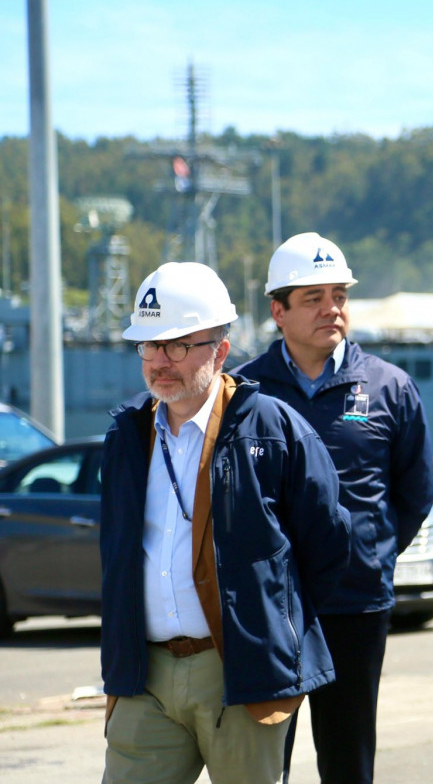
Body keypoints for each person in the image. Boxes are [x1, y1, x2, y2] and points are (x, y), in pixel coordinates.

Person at [100, 261, 351, 784]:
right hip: (144, 675)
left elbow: (327, 543)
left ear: (220, 349)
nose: (158, 361)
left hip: (240, 670)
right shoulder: (127, 434)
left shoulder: (276, 429)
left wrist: (270, 621)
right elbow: (117, 552)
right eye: (148, 345)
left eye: (176, 345)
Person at [234, 232, 433, 783]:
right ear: (278, 310)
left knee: (348, 760)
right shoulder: (244, 391)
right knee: (259, 762)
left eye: (339, 295)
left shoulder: (389, 388)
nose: (332, 309)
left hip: (355, 603)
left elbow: (415, 493)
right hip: (267, 610)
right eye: (313, 298)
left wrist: (370, 551)